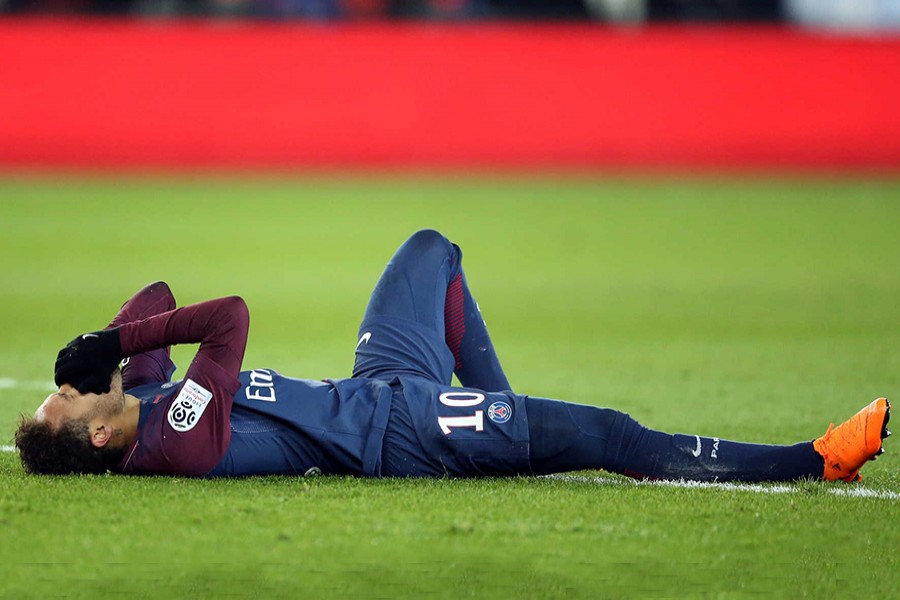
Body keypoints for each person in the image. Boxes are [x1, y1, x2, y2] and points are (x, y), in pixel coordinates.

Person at [15, 229, 891, 482]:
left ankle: (513, 419)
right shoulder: (173, 441)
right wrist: (118, 347)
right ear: (97, 440)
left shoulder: (143, 404)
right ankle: (816, 459)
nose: (68, 388)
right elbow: (227, 321)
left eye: (59, 386)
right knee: (613, 436)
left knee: (432, 254)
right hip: (404, 434)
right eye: (66, 399)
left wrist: (105, 345)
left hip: (380, 390)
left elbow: (157, 301)